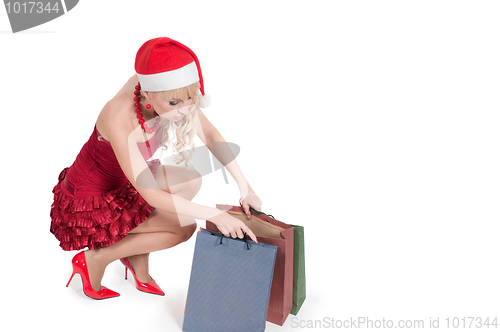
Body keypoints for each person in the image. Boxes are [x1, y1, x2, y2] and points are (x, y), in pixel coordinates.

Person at [50, 37, 261, 300]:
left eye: (189, 99)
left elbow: (209, 133)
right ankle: (95, 259)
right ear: (148, 94)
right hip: (91, 198)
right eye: (174, 104)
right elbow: (150, 194)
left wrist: (245, 187)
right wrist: (214, 215)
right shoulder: (120, 116)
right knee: (182, 228)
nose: (184, 110)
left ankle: (137, 255)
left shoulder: (170, 88)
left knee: (190, 180)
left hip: (126, 181)